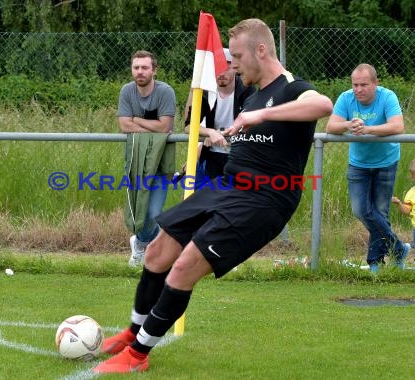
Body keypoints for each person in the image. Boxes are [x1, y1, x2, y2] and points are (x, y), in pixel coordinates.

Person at [92, 18, 333, 374]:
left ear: (261, 50)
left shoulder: (293, 88)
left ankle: (138, 356)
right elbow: (201, 117)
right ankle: (132, 332)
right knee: (158, 251)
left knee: (186, 265)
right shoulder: (250, 93)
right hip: (226, 186)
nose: (232, 65)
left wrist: (261, 115)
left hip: (264, 199)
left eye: (236, 56)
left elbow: (324, 105)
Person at [326, 63, 410, 273]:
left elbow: (398, 126)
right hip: (359, 164)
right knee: (361, 210)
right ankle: (398, 248)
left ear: (375, 83)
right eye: (355, 84)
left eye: (364, 84)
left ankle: (375, 263)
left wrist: (367, 129)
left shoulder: (387, 96)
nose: (358, 89)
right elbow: (331, 126)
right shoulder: (346, 98)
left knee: (381, 213)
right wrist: (348, 125)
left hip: (386, 161)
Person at [118, 50, 177, 268]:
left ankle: (140, 244)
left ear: (154, 70)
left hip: (160, 163)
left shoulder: (165, 92)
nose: (140, 72)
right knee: (138, 210)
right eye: (136, 68)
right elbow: (124, 125)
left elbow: (165, 126)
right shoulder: (127, 91)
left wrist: (137, 120)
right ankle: (154, 251)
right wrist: (151, 128)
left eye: (144, 67)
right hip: (136, 163)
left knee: (153, 213)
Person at [184, 48, 256, 187]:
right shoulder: (206, 92)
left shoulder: (247, 90)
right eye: (217, 68)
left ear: (235, 68)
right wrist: (210, 132)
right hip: (213, 155)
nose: (221, 73)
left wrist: (219, 134)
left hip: (239, 154)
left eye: (226, 67)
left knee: (236, 200)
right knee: (208, 199)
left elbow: (251, 122)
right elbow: (188, 126)